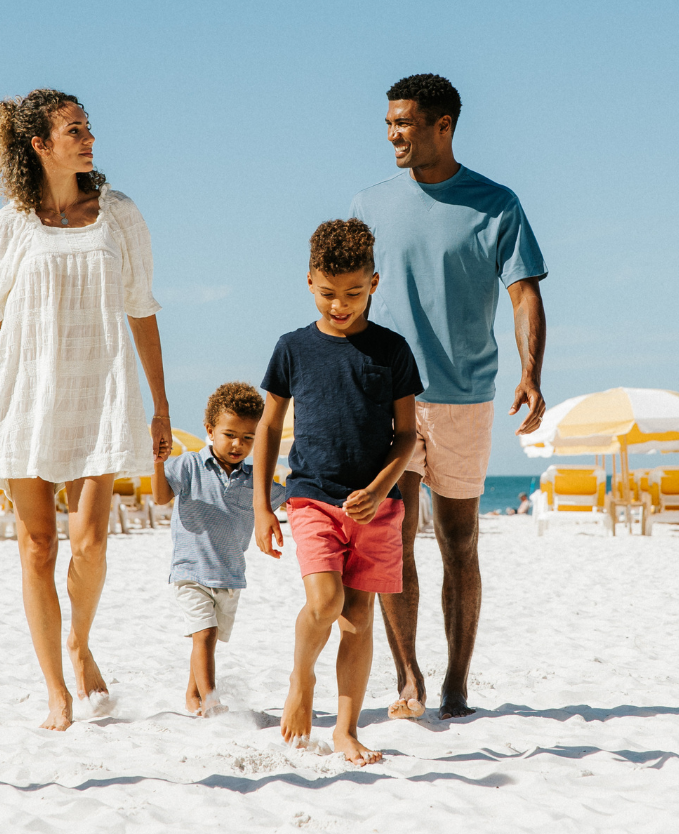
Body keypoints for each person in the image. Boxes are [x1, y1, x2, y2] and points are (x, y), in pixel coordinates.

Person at [0, 89, 173, 731]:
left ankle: (80, 641)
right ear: (39, 145)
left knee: (93, 542)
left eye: (88, 128)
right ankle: (56, 685)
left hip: (99, 391)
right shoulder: (7, 226)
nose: (89, 139)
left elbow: (142, 309)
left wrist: (161, 404)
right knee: (36, 548)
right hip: (25, 394)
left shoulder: (119, 215)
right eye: (73, 130)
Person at [350, 73, 548, 720]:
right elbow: (344, 295)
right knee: (392, 538)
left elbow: (524, 292)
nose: (392, 135)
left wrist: (531, 371)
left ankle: (457, 684)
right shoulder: (369, 204)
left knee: (460, 541)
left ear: (444, 124)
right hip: (388, 396)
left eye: (404, 123)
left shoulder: (495, 204)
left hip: (465, 396)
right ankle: (409, 678)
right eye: (388, 123)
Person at [253, 219, 422, 766]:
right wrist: (262, 505)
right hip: (311, 497)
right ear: (309, 283)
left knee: (358, 619)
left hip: (377, 505)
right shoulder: (293, 349)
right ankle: (301, 682)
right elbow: (270, 428)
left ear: (374, 282)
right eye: (328, 294)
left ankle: (346, 729)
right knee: (323, 602)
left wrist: (378, 490)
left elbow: (406, 436)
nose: (340, 304)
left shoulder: (392, 352)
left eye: (353, 292)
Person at [151, 382, 286, 716]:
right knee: (206, 634)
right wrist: (158, 462)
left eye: (248, 437)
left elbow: (291, 494)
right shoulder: (189, 466)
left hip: (230, 575)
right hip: (190, 570)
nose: (238, 444)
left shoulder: (256, 480)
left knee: (206, 640)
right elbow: (159, 496)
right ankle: (210, 700)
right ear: (210, 430)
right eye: (229, 434)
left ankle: (192, 697)